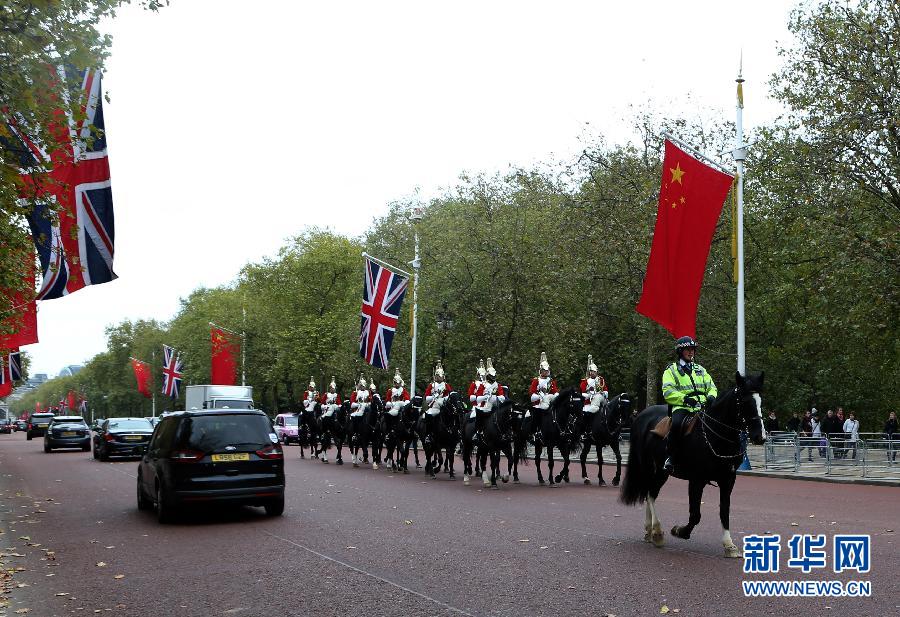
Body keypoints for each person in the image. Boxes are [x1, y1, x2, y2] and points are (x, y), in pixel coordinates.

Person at [662, 336, 717, 473]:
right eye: (688, 349)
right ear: (680, 351)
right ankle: (671, 458)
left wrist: (711, 397)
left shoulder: (700, 369)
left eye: (692, 349)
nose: (691, 352)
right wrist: (685, 399)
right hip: (683, 407)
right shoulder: (671, 370)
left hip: (703, 407)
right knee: (676, 424)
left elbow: (712, 387)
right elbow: (668, 391)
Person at [473, 358, 507, 443]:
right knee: (479, 415)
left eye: (494, 376)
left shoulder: (497, 385)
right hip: (486, 406)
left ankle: (506, 432)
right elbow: (478, 399)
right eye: (492, 376)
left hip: (496, 405)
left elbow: (502, 397)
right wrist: (485, 396)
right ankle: (478, 432)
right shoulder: (483, 385)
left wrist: (495, 397)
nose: (493, 377)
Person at [528, 352, 559, 443]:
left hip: (549, 403)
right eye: (544, 370)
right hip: (539, 404)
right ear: (541, 371)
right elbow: (532, 393)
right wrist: (539, 396)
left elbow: (555, 391)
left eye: (547, 370)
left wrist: (555, 396)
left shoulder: (551, 381)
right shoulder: (536, 380)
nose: (546, 372)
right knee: (536, 416)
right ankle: (535, 432)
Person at [578, 354, 608, 440]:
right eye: (591, 371)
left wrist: (602, 393)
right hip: (588, 403)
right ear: (589, 372)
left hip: (600, 399)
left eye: (594, 371)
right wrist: (590, 394)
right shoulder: (584, 382)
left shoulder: (601, 380)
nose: (592, 373)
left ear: (597, 372)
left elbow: (606, 391)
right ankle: (586, 431)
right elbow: (582, 394)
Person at [423, 362, 453, 445]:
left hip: (444, 406)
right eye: (439, 376)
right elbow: (427, 398)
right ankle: (428, 434)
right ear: (436, 376)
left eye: (442, 376)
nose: (441, 378)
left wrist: (444, 399)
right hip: (434, 407)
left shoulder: (446, 385)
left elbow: (450, 395)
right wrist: (433, 397)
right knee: (429, 416)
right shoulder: (431, 385)